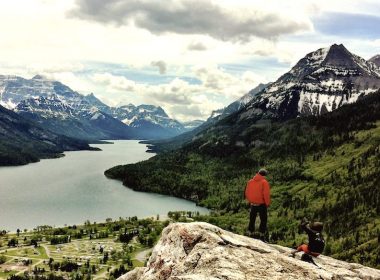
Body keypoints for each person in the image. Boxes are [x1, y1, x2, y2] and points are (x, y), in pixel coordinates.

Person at [245, 168, 271, 240]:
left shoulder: (250, 182)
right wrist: (267, 203)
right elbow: (266, 194)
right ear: (264, 175)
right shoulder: (264, 182)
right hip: (261, 204)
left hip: (253, 204)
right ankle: (262, 236)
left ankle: (250, 233)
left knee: (252, 219)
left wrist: (250, 201)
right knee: (263, 220)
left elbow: (246, 193)